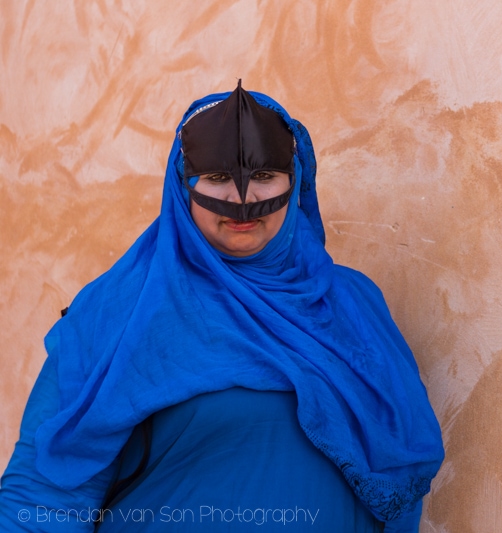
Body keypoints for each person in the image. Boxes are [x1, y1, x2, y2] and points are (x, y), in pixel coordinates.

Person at [0, 81, 445, 532]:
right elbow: (42, 495)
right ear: (183, 186)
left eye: (265, 176)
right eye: (216, 178)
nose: (243, 200)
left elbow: (398, 475)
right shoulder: (118, 310)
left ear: (295, 181)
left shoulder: (353, 304)